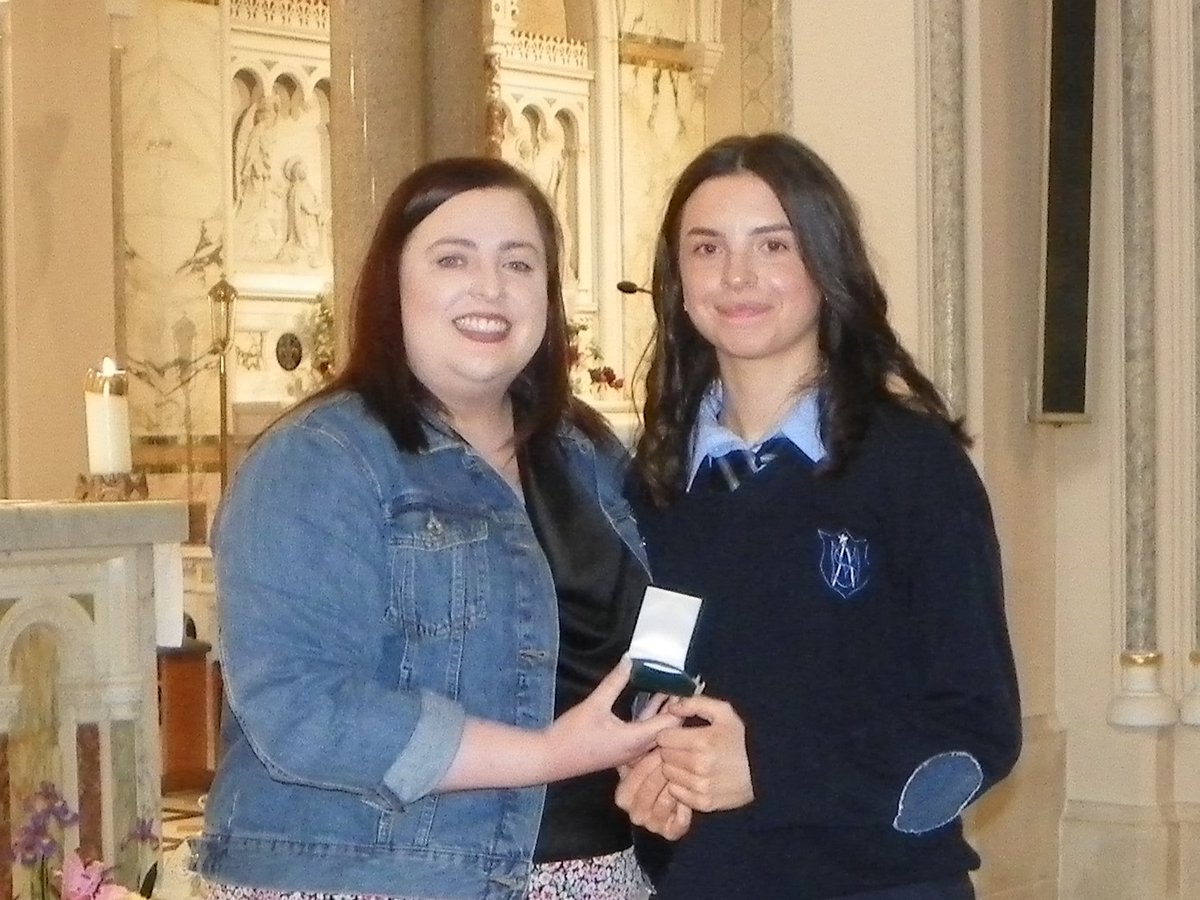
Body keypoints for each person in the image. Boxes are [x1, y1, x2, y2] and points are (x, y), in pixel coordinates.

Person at [193, 156, 676, 900]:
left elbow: (664, 616)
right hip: (378, 877)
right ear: (394, 287)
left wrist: (658, 740)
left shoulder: (589, 454)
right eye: (454, 259)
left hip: (597, 873)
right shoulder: (319, 460)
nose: (491, 288)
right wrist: (547, 753)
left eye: (519, 263)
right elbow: (301, 707)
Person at [616, 132, 1022, 900]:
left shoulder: (913, 468)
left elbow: (977, 734)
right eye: (706, 249)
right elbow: (658, 668)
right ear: (677, 278)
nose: (737, 275)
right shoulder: (655, 482)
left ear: (825, 261)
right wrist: (649, 765)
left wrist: (770, 768)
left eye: (774, 244)